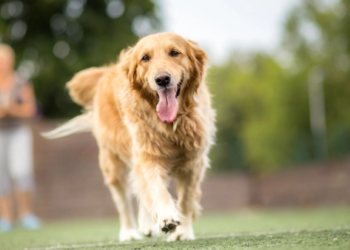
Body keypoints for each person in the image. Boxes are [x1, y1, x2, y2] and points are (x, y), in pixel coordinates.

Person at [0, 44, 41, 231]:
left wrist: (13, 110)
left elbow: (31, 110)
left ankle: (26, 215)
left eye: (5, 61)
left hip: (19, 132)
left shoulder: (21, 82)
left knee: (22, 172)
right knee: (1, 177)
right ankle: (5, 218)